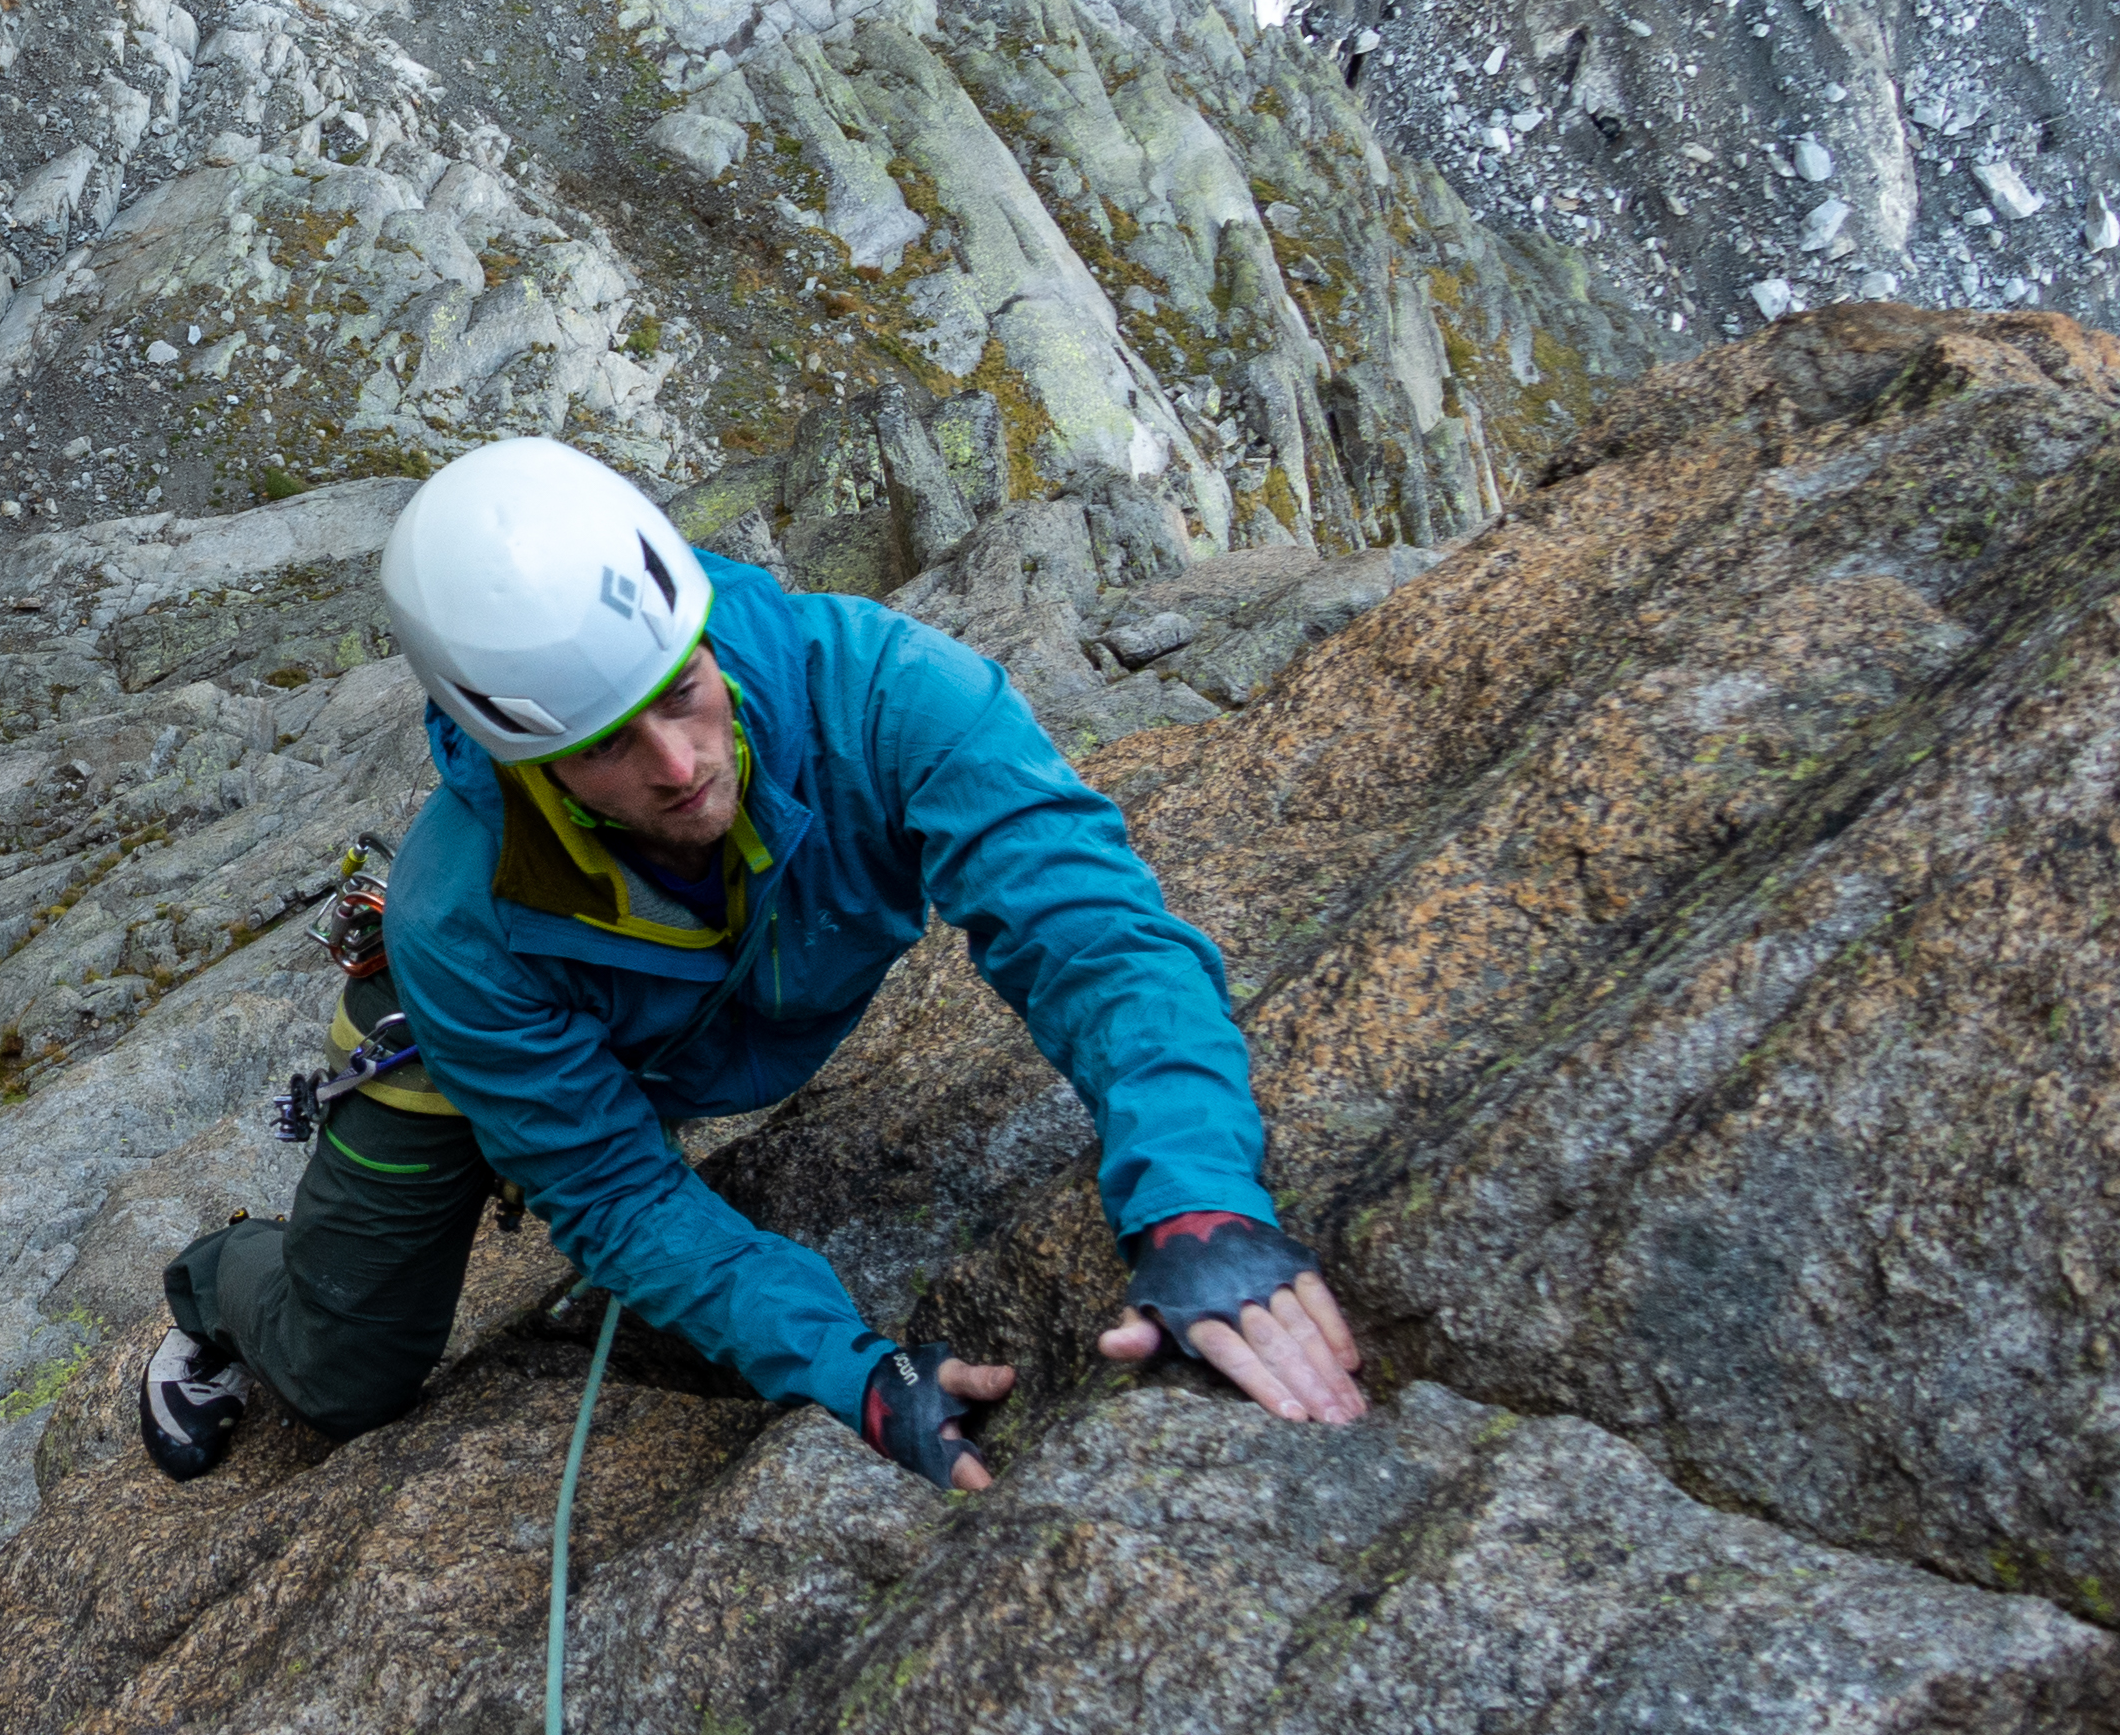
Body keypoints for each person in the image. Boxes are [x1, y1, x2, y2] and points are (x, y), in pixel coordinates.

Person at [144, 435, 1365, 1488]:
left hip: (654, 1025)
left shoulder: (887, 695)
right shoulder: (459, 916)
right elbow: (617, 1193)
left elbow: (1097, 941)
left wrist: (1197, 1201)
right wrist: (854, 1370)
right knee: (345, 1374)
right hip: (450, 1042)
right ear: (521, 760)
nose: (677, 766)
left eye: (686, 694)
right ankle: (211, 1283)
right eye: (604, 750)